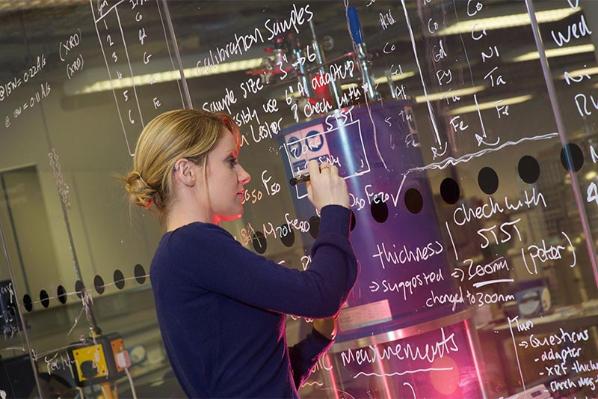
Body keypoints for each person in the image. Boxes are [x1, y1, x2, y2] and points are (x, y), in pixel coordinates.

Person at [123, 109, 357, 398]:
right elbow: (322, 296)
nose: (244, 175)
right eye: (230, 161)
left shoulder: (179, 253)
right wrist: (334, 209)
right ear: (186, 172)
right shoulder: (193, 246)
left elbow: (259, 383)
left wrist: (316, 341)